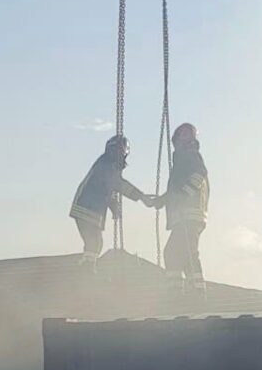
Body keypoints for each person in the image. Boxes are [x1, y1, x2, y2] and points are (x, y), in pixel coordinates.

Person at [150, 122, 210, 287]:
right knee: (179, 252)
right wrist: (162, 200)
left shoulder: (190, 155)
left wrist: (184, 195)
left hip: (188, 214)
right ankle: (187, 288)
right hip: (187, 215)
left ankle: (189, 289)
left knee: (180, 252)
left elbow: (200, 174)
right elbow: (176, 191)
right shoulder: (182, 160)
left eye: (187, 135)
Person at [69, 135, 146, 264]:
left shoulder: (107, 166)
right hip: (87, 208)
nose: (118, 154)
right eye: (116, 150)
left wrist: (114, 207)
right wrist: (140, 196)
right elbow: (117, 183)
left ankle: (88, 264)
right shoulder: (106, 165)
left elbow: (108, 188)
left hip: (90, 209)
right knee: (94, 240)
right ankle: (87, 266)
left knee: (96, 241)